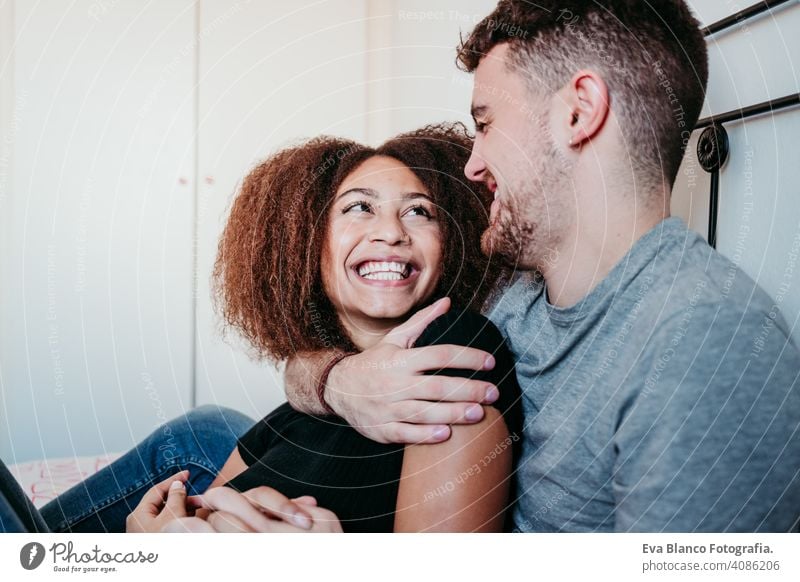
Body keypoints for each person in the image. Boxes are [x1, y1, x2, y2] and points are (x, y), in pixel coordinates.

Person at [279, 0, 800, 532]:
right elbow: (312, 360)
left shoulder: (708, 346)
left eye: (486, 124)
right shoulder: (509, 290)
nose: (472, 164)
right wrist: (336, 382)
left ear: (579, 112)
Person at [1, 123, 522, 533]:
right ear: (305, 244)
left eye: (419, 213)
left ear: (449, 243)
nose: (390, 232)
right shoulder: (299, 407)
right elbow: (199, 512)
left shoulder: (452, 350)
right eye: (359, 208)